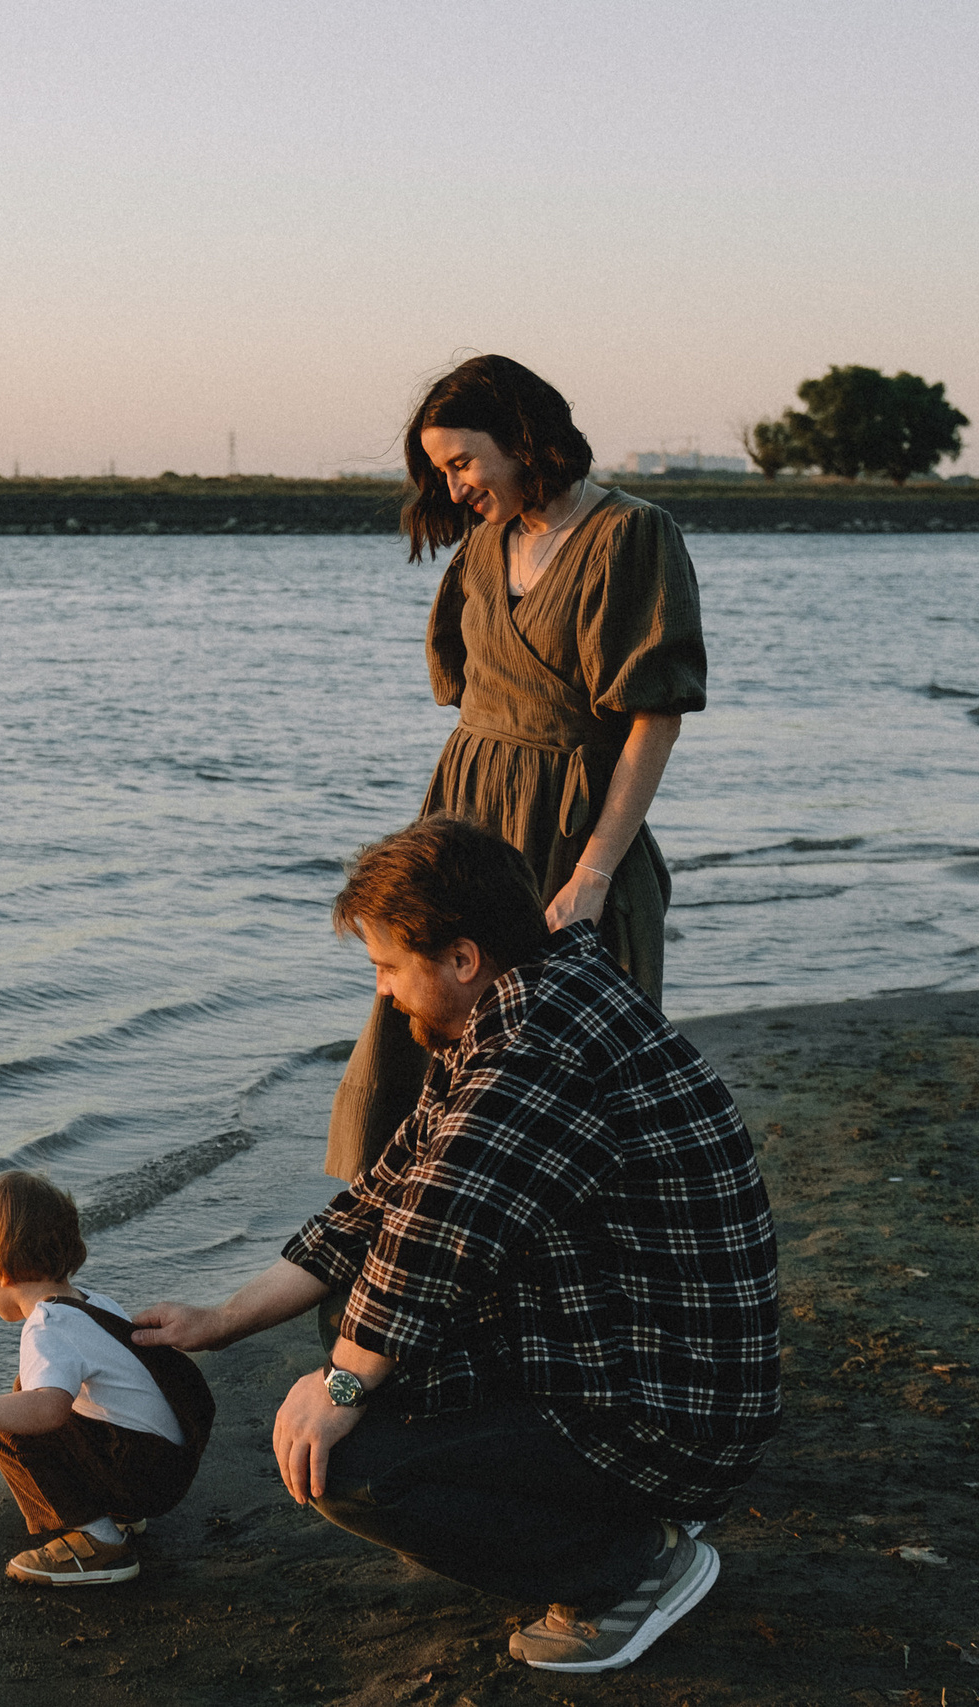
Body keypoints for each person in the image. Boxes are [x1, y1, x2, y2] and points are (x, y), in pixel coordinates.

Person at [134, 817, 778, 1673]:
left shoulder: (534, 1050)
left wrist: (337, 1389)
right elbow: (382, 1203)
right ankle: (605, 1521)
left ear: (462, 958)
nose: (384, 992)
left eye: (389, 967)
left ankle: (632, 1567)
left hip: (668, 1414)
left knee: (354, 1462)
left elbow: (431, 1240)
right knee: (356, 1327)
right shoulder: (528, 997)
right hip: (634, 1353)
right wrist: (219, 1320)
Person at [329, 354, 707, 1185]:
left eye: (463, 462)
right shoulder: (482, 546)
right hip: (464, 819)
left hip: (573, 831)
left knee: (561, 1073)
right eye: (441, 471)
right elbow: (474, 694)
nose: (455, 488)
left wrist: (596, 873)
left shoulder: (630, 535)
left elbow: (655, 719)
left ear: (522, 438)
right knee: (423, 1041)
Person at [0, 1170, 214, 1586]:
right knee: (23, 1390)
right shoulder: (91, 1303)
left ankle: (103, 1544)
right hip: (167, 1462)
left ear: (2, 1272)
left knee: (8, 1433)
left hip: (147, 1478)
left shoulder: (46, 1326)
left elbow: (45, 1412)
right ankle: (120, 1515)